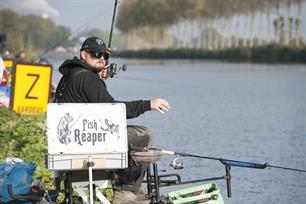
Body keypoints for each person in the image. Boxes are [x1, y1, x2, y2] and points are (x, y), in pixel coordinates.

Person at [54, 36, 170, 204]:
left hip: (71, 142)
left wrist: (98, 81)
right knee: (143, 135)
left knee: (129, 135)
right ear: (83, 55)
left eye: (104, 56)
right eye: (95, 54)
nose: (101, 58)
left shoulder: (70, 75)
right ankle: (125, 192)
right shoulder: (87, 78)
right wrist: (148, 104)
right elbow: (113, 111)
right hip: (85, 145)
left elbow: (94, 105)